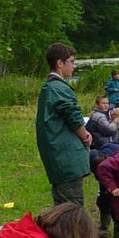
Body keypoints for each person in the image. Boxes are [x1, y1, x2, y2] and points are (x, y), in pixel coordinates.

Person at [35, 43, 91, 206]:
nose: (74, 66)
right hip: (65, 158)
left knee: (62, 207)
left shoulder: (49, 87)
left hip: (57, 156)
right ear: (60, 63)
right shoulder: (59, 88)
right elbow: (73, 117)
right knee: (72, 208)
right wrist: (85, 135)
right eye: (72, 62)